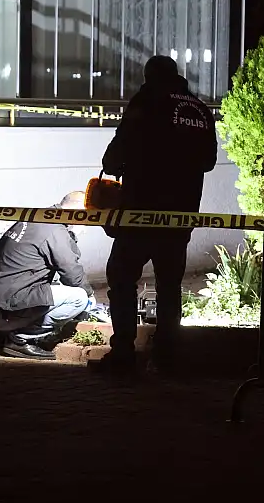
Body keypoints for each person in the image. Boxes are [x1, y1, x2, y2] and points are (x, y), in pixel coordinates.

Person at [90, 55, 218, 376]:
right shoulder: (198, 109)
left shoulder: (147, 101)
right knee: (169, 285)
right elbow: (208, 162)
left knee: (121, 277)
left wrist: (124, 163)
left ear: (149, 77)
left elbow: (115, 155)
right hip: (180, 215)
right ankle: (166, 355)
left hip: (141, 211)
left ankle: (123, 353)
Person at [0, 191, 94, 360]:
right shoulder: (55, 230)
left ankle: (1, 334)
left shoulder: (38, 216)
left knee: (51, 286)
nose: (87, 224)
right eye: (87, 217)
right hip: (4, 303)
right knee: (79, 298)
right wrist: (90, 296)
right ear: (79, 213)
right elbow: (71, 272)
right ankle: (20, 338)